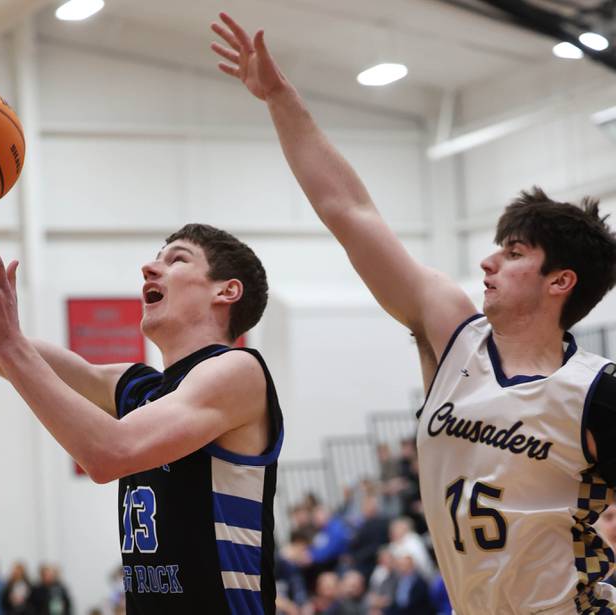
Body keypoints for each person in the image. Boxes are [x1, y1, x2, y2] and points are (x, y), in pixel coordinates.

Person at [211, 11, 616, 613]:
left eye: (512, 253)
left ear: (560, 280)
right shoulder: (454, 336)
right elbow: (350, 212)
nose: (487, 264)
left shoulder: (596, 392)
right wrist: (280, 99)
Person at [0, 211, 283, 614]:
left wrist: (9, 343)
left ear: (226, 291)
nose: (149, 268)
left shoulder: (239, 371)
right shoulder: (138, 388)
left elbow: (108, 454)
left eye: (177, 260)